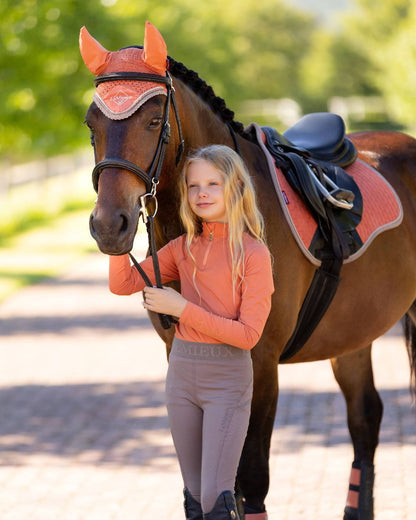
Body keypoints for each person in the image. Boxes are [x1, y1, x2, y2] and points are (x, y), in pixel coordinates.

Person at [108, 144, 274, 520]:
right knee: (195, 498)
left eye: (213, 184)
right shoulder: (183, 248)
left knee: (217, 498)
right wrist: (117, 237)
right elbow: (123, 282)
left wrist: (182, 309)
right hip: (181, 376)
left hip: (227, 380)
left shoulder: (254, 255)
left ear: (236, 188)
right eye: (193, 185)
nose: (201, 193)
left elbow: (248, 335)